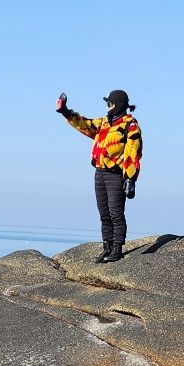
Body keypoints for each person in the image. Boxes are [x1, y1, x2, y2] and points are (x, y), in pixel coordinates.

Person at [55, 88, 142, 262]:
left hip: (116, 175)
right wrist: (65, 111)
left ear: (118, 105)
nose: (107, 106)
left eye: (110, 103)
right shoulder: (104, 123)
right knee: (104, 214)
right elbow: (84, 124)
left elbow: (133, 153)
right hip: (100, 173)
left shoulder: (130, 126)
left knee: (116, 213)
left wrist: (130, 179)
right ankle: (107, 247)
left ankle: (117, 248)